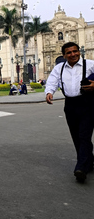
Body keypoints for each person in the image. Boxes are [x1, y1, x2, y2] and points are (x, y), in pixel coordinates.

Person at [45, 42, 94, 183]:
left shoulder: (90, 64)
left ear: (79, 51)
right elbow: (52, 80)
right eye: (69, 52)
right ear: (64, 55)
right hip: (70, 105)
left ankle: (81, 168)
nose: (73, 54)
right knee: (76, 136)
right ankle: (88, 161)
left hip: (87, 103)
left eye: (75, 51)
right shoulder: (59, 68)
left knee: (84, 135)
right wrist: (49, 92)